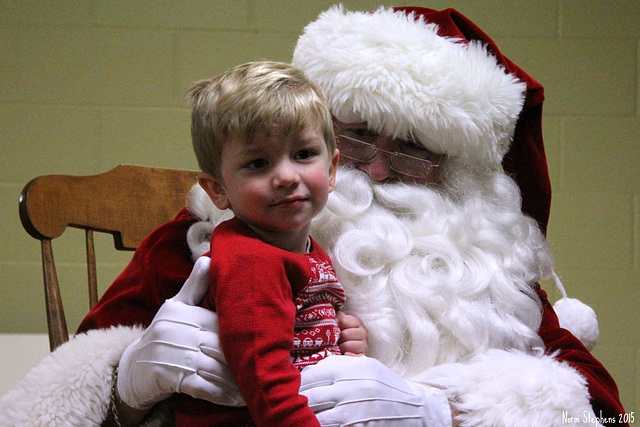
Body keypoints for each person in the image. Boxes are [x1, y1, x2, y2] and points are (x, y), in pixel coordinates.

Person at [0, 5, 628, 427]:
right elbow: (59, 393)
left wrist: (450, 412)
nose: (377, 171)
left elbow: (607, 410)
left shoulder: (483, 266)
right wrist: (125, 383)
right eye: (356, 136)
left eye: (413, 150)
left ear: (456, 169)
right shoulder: (214, 238)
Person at [164, 60, 352, 426]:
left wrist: (341, 334)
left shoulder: (302, 247)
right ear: (218, 190)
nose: (285, 176)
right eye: (258, 163)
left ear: (331, 171)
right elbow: (264, 379)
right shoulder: (250, 261)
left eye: (303, 155)